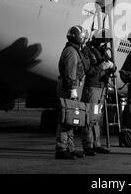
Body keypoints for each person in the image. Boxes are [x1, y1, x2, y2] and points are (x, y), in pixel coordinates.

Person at [55, 25, 89, 160]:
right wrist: (72, 89)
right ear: (79, 37)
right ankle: (61, 149)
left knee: (71, 120)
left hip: (72, 87)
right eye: (83, 37)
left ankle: (70, 148)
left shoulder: (73, 50)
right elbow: (70, 73)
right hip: (69, 87)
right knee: (65, 119)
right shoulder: (71, 52)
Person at [81, 29, 116, 156]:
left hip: (101, 88)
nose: (104, 45)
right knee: (89, 118)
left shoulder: (101, 51)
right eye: (103, 42)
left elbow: (111, 64)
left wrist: (112, 66)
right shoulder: (87, 51)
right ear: (97, 40)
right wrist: (103, 66)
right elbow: (87, 70)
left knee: (96, 118)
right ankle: (88, 146)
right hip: (92, 88)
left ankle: (96, 144)